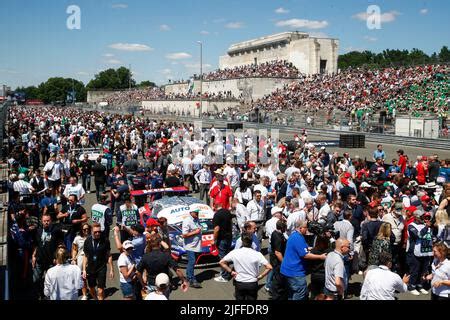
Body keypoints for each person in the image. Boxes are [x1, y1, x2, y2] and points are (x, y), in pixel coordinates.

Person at [280, 219, 327, 300]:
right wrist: (320, 256)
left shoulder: (294, 235)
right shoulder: (298, 238)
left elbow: (303, 248)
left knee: (292, 293)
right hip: (295, 273)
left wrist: (314, 248)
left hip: (287, 270)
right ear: (300, 228)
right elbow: (305, 255)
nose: (307, 229)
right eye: (306, 227)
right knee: (300, 294)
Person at [219, 232, 273, 301]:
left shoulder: (235, 252)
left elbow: (221, 262)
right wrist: (260, 276)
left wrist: (231, 271)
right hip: (252, 283)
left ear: (242, 241)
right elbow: (269, 267)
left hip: (239, 282)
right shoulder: (257, 254)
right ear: (251, 241)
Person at [137, 233, 189, 299]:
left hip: (151, 284)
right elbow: (177, 270)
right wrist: (183, 280)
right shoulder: (166, 256)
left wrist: (142, 284)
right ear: (159, 244)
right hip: (163, 285)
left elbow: (138, 272)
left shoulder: (145, 257)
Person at [32, 213, 64, 299]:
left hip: (51, 261)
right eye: (44, 221)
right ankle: (40, 294)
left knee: (51, 280)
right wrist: (33, 256)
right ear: (41, 222)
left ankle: (50, 295)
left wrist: (57, 257)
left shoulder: (56, 231)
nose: (46, 222)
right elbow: (36, 244)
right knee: (36, 279)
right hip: (39, 260)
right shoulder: (38, 231)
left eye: (48, 221)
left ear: (51, 221)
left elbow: (60, 244)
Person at [82, 223, 114, 300]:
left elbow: (109, 255)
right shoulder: (87, 241)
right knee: (92, 289)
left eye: (99, 231)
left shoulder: (105, 240)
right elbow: (85, 256)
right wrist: (83, 269)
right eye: (95, 232)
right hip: (90, 268)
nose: (97, 233)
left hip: (101, 267)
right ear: (91, 231)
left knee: (100, 290)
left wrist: (111, 269)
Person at [406, 210, 434, 295]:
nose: (423, 218)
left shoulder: (425, 225)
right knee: (415, 269)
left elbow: (430, 236)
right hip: (414, 251)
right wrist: (426, 227)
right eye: (421, 216)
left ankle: (420, 285)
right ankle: (412, 286)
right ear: (416, 217)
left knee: (423, 270)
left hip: (425, 251)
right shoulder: (411, 226)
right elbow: (419, 235)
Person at [182, 208, 203, 288]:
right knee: (192, 261)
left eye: (198, 212)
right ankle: (191, 280)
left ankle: (188, 277)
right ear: (191, 212)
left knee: (192, 262)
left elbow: (199, 228)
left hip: (196, 245)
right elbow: (184, 235)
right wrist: (195, 232)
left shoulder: (196, 219)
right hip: (190, 246)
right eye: (196, 212)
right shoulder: (187, 221)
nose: (197, 214)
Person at [213, 203, 233, 283]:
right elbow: (231, 223)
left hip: (222, 239)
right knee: (227, 256)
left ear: (215, 206)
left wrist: (214, 240)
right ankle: (226, 272)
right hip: (229, 237)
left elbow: (216, 229)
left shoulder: (217, 215)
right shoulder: (227, 212)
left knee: (222, 257)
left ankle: (224, 276)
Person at [72, 222, 91, 300]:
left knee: (91, 276)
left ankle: (91, 290)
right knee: (83, 277)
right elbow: (74, 249)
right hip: (80, 259)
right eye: (84, 229)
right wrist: (73, 259)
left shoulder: (92, 237)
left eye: (88, 229)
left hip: (90, 259)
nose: (86, 230)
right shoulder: (77, 238)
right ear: (81, 230)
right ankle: (84, 294)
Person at [270, 220, 288, 300]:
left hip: (275, 260)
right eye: (285, 227)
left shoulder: (275, 233)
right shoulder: (278, 237)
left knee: (277, 278)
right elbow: (278, 252)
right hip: (277, 262)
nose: (286, 229)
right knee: (278, 280)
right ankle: (276, 296)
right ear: (282, 228)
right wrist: (284, 263)